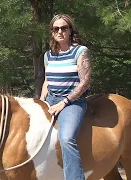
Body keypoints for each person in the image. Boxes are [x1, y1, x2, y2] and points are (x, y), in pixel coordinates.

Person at [40, 14, 91, 180]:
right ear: (52, 32)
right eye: (56, 28)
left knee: (66, 138)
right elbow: (47, 81)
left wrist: (64, 102)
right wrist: (41, 101)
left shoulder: (80, 51)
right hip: (50, 100)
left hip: (72, 103)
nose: (60, 31)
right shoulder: (48, 55)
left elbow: (85, 82)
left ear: (70, 30)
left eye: (64, 28)